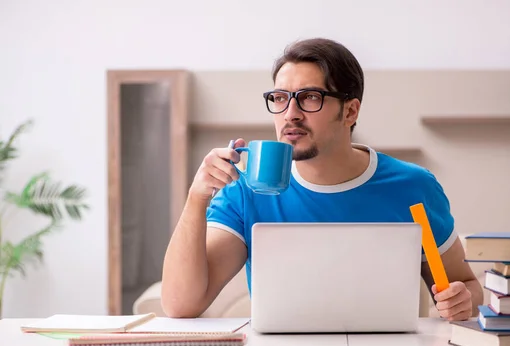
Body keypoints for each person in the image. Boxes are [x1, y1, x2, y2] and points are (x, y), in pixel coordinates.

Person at [161, 38, 484, 321]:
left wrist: (462, 301)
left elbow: (466, 286)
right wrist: (197, 198)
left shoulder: (414, 186)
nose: (290, 113)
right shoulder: (245, 192)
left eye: (310, 97)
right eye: (280, 98)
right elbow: (180, 305)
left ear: (350, 112)